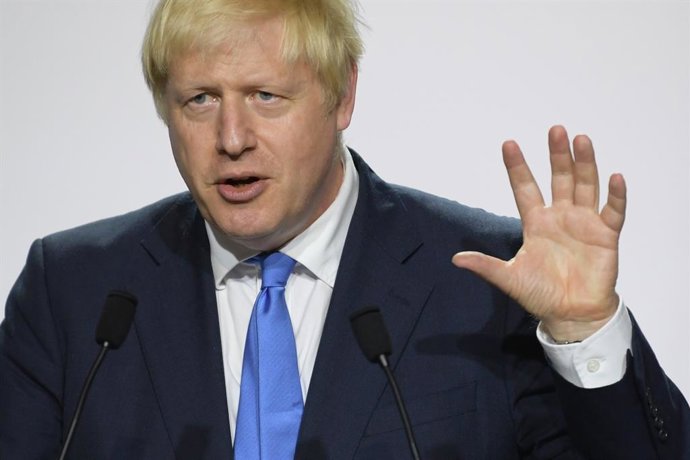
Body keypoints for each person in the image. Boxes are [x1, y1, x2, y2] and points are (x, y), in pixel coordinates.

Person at [1, 0, 688, 458]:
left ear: (343, 95)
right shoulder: (75, 294)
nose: (231, 137)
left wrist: (585, 332)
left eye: (266, 97)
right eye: (200, 99)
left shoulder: (491, 282)